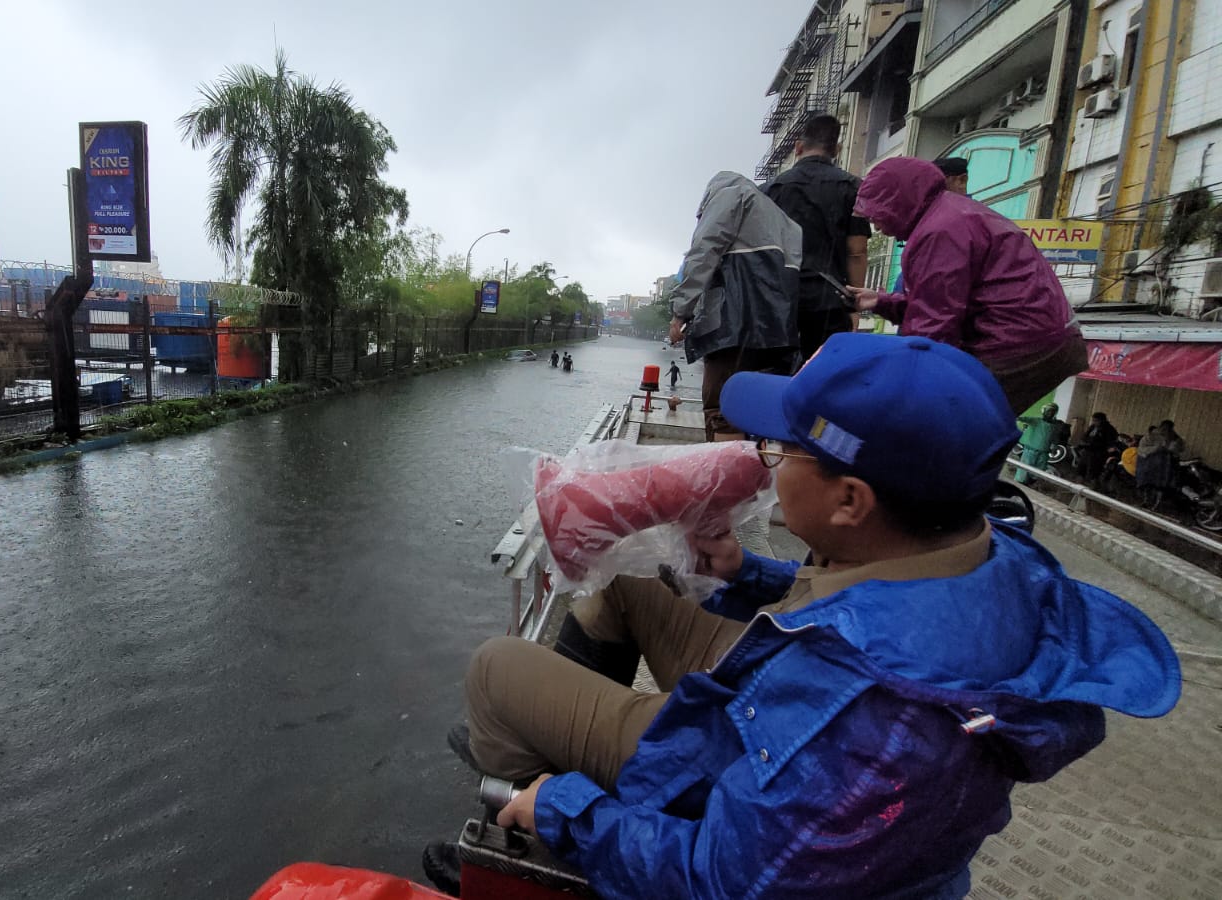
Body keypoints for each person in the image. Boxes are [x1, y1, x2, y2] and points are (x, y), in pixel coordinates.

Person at [427, 333, 1177, 899]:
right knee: (628, 582)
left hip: (756, 759)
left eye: (782, 450)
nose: (766, 461)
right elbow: (881, 607)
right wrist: (748, 572)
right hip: (785, 693)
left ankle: (533, 846)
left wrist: (565, 809)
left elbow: (724, 881)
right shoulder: (992, 551)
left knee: (497, 671)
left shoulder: (879, 735)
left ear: (851, 502)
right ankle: (582, 776)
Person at [847, 157, 1089, 415]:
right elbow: (948, 303)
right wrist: (881, 301)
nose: (877, 226)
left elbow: (933, 327)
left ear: (899, 202)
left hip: (1016, 343)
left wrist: (902, 387)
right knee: (962, 427)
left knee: (943, 424)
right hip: (1040, 338)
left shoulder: (939, 230)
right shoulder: (953, 213)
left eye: (879, 214)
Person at [665, 171, 802, 440]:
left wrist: (681, 311)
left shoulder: (729, 196)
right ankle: (749, 475)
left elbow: (704, 252)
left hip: (733, 325)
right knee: (753, 410)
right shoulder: (785, 222)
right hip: (776, 332)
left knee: (722, 408)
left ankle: (724, 480)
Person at [762, 115, 872, 362]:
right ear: (836, 149)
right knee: (822, 374)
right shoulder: (852, 187)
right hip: (829, 299)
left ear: (798, 147)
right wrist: (853, 305)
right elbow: (856, 250)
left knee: (773, 373)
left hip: (778, 298)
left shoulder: (770, 190)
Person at [1014, 402, 1064, 484]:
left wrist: (1054, 447)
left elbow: (1055, 439)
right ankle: (1019, 485)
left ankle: (1029, 484)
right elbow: (1024, 419)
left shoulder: (1054, 427)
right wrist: (1016, 417)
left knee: (1037, 473)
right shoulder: (1036, 421)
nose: (1050, 413)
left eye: (1052, 412)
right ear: (1044, 411)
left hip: (1044, 453)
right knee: (1023, 471)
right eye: (1049, 411)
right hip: (1030, 451)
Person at [1077, 411, 1118, 483]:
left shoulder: (1109, 429)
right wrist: (1085, 442)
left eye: (1096, 421)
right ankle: (1080, 479)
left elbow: (1110, 442)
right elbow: (1085, 436)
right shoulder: (1093, 427)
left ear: (1102, 420)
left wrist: (1101, 447)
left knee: (1094, 469)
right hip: (1088, 449)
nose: (1094, 422)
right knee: (1082, 465)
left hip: (1098, 452)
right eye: (1093, 420)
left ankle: (1093, 483)